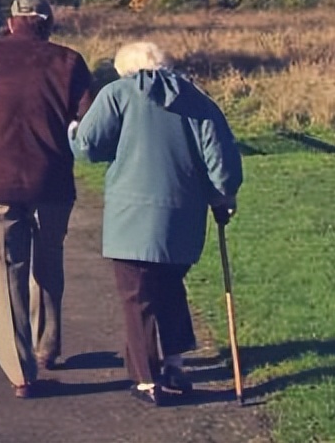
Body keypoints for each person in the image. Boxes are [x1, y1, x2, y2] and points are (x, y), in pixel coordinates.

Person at [73, 41, 242, 407]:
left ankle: (147, 379)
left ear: (126, 69)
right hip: (183, 216)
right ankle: (175, 365)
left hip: (130, 219)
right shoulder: (197, 99)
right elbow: (222, 163)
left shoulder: (117, 94)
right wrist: (223, 197)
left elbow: (87, 146)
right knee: (169, 286)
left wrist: (73, 130)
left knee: (137, 297)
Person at [0, 0, 95, 398]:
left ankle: (20, 371)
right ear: (48, 23)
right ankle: (47, 346)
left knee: (5, 272)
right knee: (48, 261)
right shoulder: (69, 61)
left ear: (11, 22)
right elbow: (89, 123)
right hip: (52, 182)